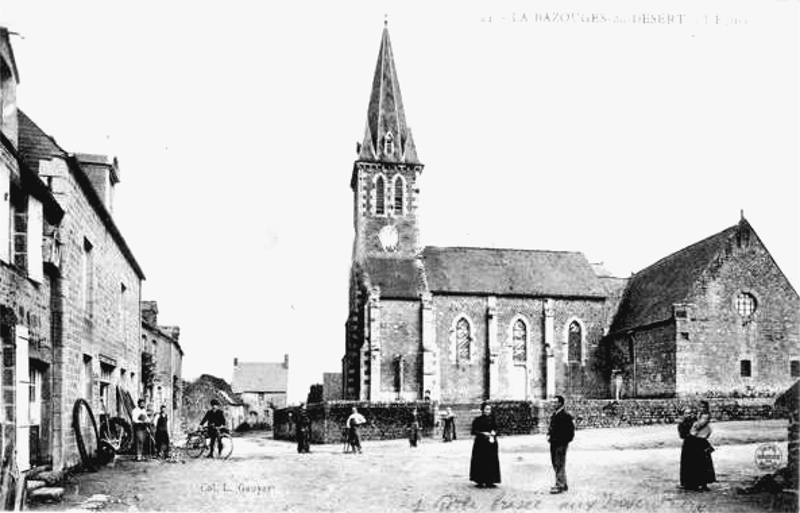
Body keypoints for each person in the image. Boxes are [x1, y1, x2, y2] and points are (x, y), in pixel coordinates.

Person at [685, 400, 717, 491]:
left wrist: (694, 424)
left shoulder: (705, 416)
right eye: (700, 406)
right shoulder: (699, 415)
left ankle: (703, 483)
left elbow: (698, 426)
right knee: (699, 462)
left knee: (702, 462)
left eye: (703, 407)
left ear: (706, 408)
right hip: (698, 439)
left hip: (701, 440)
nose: (701, 408)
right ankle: (700, 483)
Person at [469, 402, 500, 488]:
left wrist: (494, 432)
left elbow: (497, 429)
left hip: (491, 443)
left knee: (491, 461)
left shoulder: (493, 419)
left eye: (489, 409)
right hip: (480, 444)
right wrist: (483, 433)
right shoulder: (477, 420)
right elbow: (473, 431)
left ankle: (491, 480)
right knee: (481, 461)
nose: (488, 411)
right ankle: (480, 480)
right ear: (482, 410)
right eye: (486, 409)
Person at [548, 395, 575, 494]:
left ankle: (559, 485)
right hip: (554, 443)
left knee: (559, 463)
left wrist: (563, 442)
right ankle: (563, 483)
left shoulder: (565, 415)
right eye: (552, 402)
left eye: (555, 402)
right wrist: (549, 435)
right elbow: (552, 428)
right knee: (556, 463)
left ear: (560, 403)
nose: (553, 404)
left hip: (560, 444)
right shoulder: (555, 414)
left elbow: (570, 432)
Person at [678, 406, 697, 489]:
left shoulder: (695, 422)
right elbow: (682, 435)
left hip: (696, 444)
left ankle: (697, 482)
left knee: (696, 463)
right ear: (683, 414)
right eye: (687, 413)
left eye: (690, 413)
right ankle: (686, 483)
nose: (689, 415)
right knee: (687, 463)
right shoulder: (682, 424)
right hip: (688, 445)